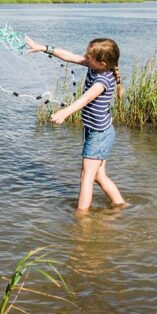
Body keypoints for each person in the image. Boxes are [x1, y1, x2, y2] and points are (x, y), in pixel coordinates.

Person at [25, 36, 127, 211]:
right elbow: (69, 56)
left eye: (88, 56)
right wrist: (42, 47)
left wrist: (65, 112)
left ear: (102, 63)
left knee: (86, 178)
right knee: (99, 176)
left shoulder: (103, 80)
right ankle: (121, 205)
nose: (84, 57)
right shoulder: (94, 66)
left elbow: (86, 98)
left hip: (99, 135)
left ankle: (82, 219)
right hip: (99, 131)